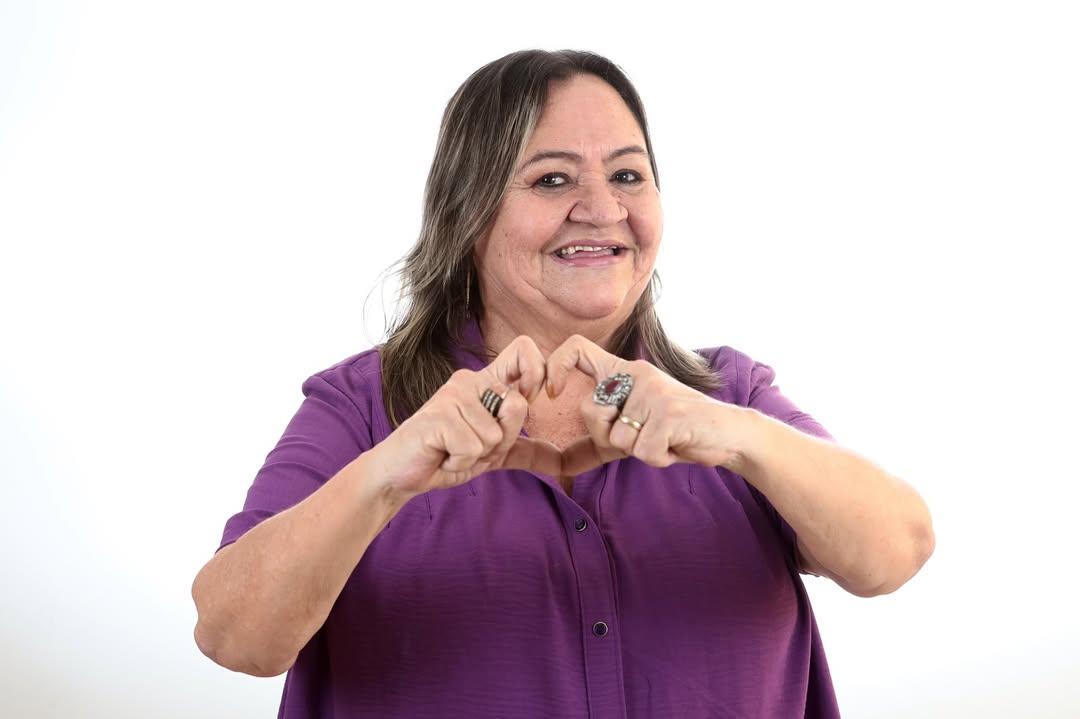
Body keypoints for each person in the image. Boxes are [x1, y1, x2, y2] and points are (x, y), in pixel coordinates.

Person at [191, 49, 935, 718]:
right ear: (468, 211)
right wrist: (387, 474)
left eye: (627, 175)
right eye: (552, 179)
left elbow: (896, 550)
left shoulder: (726, 393)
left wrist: (737, 436)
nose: (604, 209)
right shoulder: (360, 406)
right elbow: (234, 633)